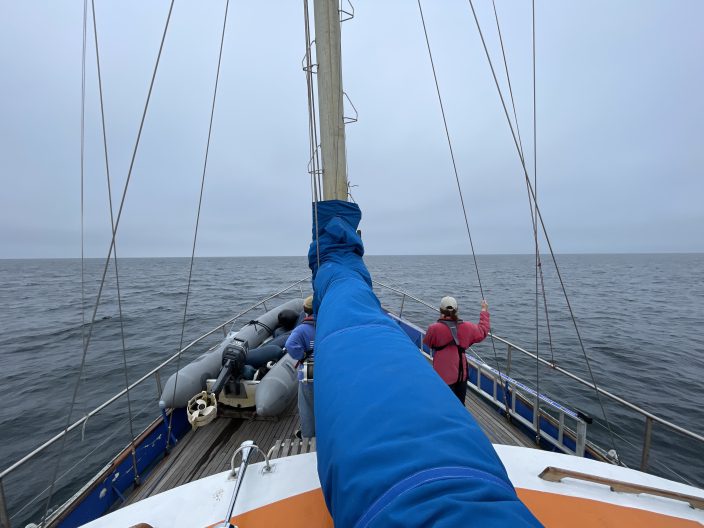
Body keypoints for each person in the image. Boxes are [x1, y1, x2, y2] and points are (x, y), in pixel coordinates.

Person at [423, 296, 490, 403]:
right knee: (459, 404)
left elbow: (428, 343)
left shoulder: (434, 328)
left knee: (443, 403)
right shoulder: (467, 327)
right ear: (457, 310)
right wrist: (484, 310)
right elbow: (483, 331)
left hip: (442, 376)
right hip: (461, 376)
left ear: (441, 310)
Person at [284, 295, 316, 438]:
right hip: (325, 368)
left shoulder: (302, 329)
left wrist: (301, 355)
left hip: (309, 367)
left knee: (307, 404)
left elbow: (290, 345)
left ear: (305, 310)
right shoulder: (327, 325)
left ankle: (308, 435)